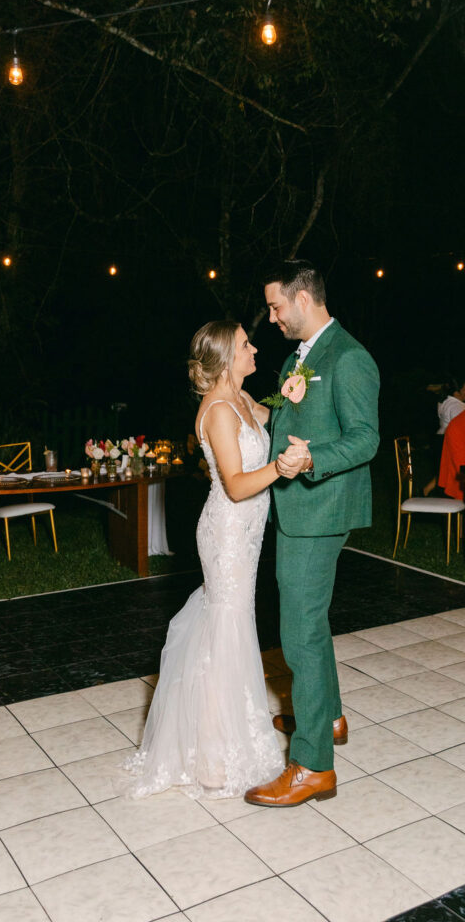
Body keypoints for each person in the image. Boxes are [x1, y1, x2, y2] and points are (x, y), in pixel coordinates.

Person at [121, 320, 304, 799]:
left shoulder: (242, 400)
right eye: (246, 344)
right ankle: (213, 756)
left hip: (247, 530)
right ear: (226, 356)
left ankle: (218, 739)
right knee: (227, 624)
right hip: (226, 530)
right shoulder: (219, 410)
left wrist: (291, 394)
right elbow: (238, 485)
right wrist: (279, 468)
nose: (254, 348)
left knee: (230, 622)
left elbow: (274, 416)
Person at [244, 260, 380, 808]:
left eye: (277, 306)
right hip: (301, 509)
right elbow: (291, 417)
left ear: (304, 299)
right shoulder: (300, 357)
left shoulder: (348, 358)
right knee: (310, 626)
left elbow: (366, 439)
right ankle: (330, 719)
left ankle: (312, 766)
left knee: (297, 632)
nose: (272, 317)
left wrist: (311, 461)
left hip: (319, 510)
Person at [423, 377, 465, 496]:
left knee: (441, 474)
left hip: (438, 440)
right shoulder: (457, 407)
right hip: (447, 442)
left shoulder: (444, 401)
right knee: (451, 473)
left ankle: (426, 493)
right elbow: (462, 430)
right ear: (456, 393)